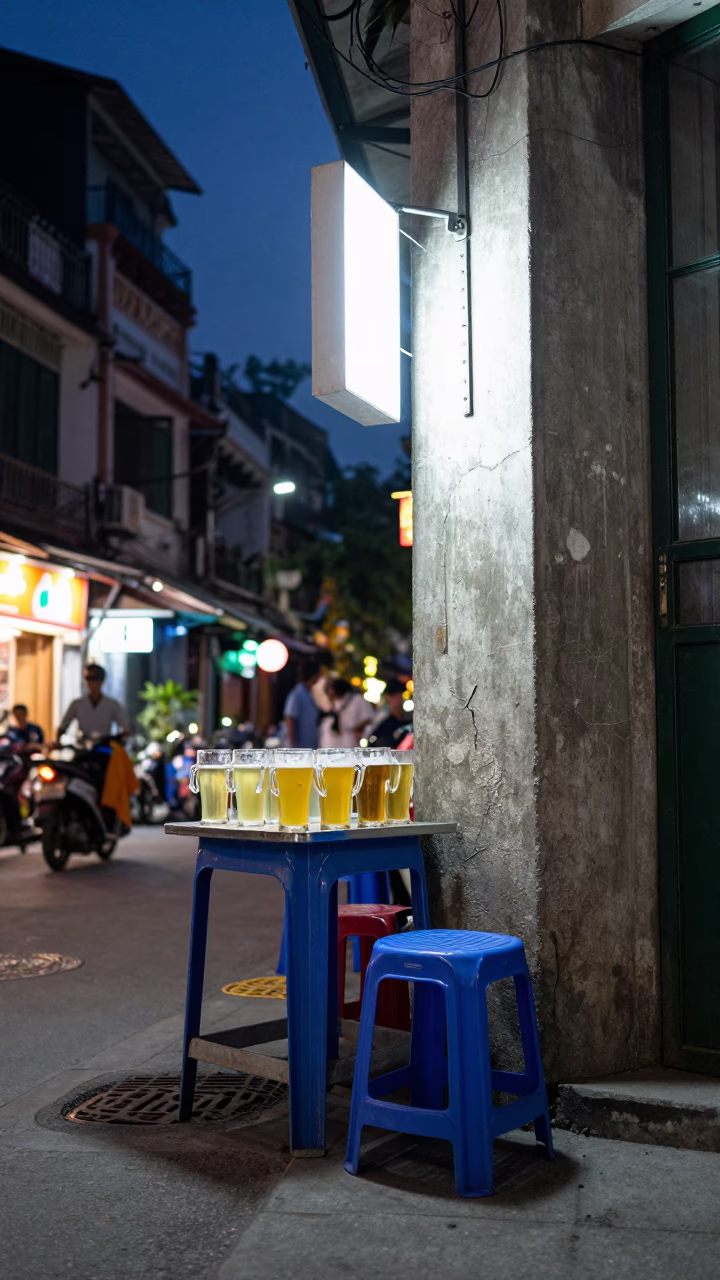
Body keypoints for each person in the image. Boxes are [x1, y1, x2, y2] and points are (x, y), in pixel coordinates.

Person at [57, 663, 129, 743]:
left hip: (104, 744)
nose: (91, 683)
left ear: (102, 681)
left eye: (95, 679)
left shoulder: (112, 705)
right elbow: (63, 726)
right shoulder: (77, 704)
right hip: (83, 745)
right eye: (88, 678)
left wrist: (120, 739)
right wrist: (58, 741)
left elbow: (125, 727)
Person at [319, 678, 373, 748]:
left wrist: (357, 729)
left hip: (351, 739)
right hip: (336, 741)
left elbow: (368, 718)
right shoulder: (334, 701)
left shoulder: (357, 699)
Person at [282, 658, 323, 748]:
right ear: (314, 675)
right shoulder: (297, 693)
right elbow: (290, 719)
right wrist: (294, 746)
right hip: (299, 749)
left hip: (309, 746)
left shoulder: (310, 692)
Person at [368, 677, 413, 748]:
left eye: (400, 695)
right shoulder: (382, 720)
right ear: (388, 697)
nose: (399, 698)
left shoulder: (407, 719)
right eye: (396, 696)